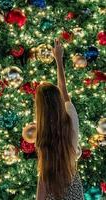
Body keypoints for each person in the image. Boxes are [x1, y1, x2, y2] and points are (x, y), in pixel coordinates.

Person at [35, 38, 84, 200]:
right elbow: (63, 89)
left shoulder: (43, 135)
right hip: (73, 186)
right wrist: (58, 60)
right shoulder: (70, 116)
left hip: (52, 190)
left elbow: (42, 183)